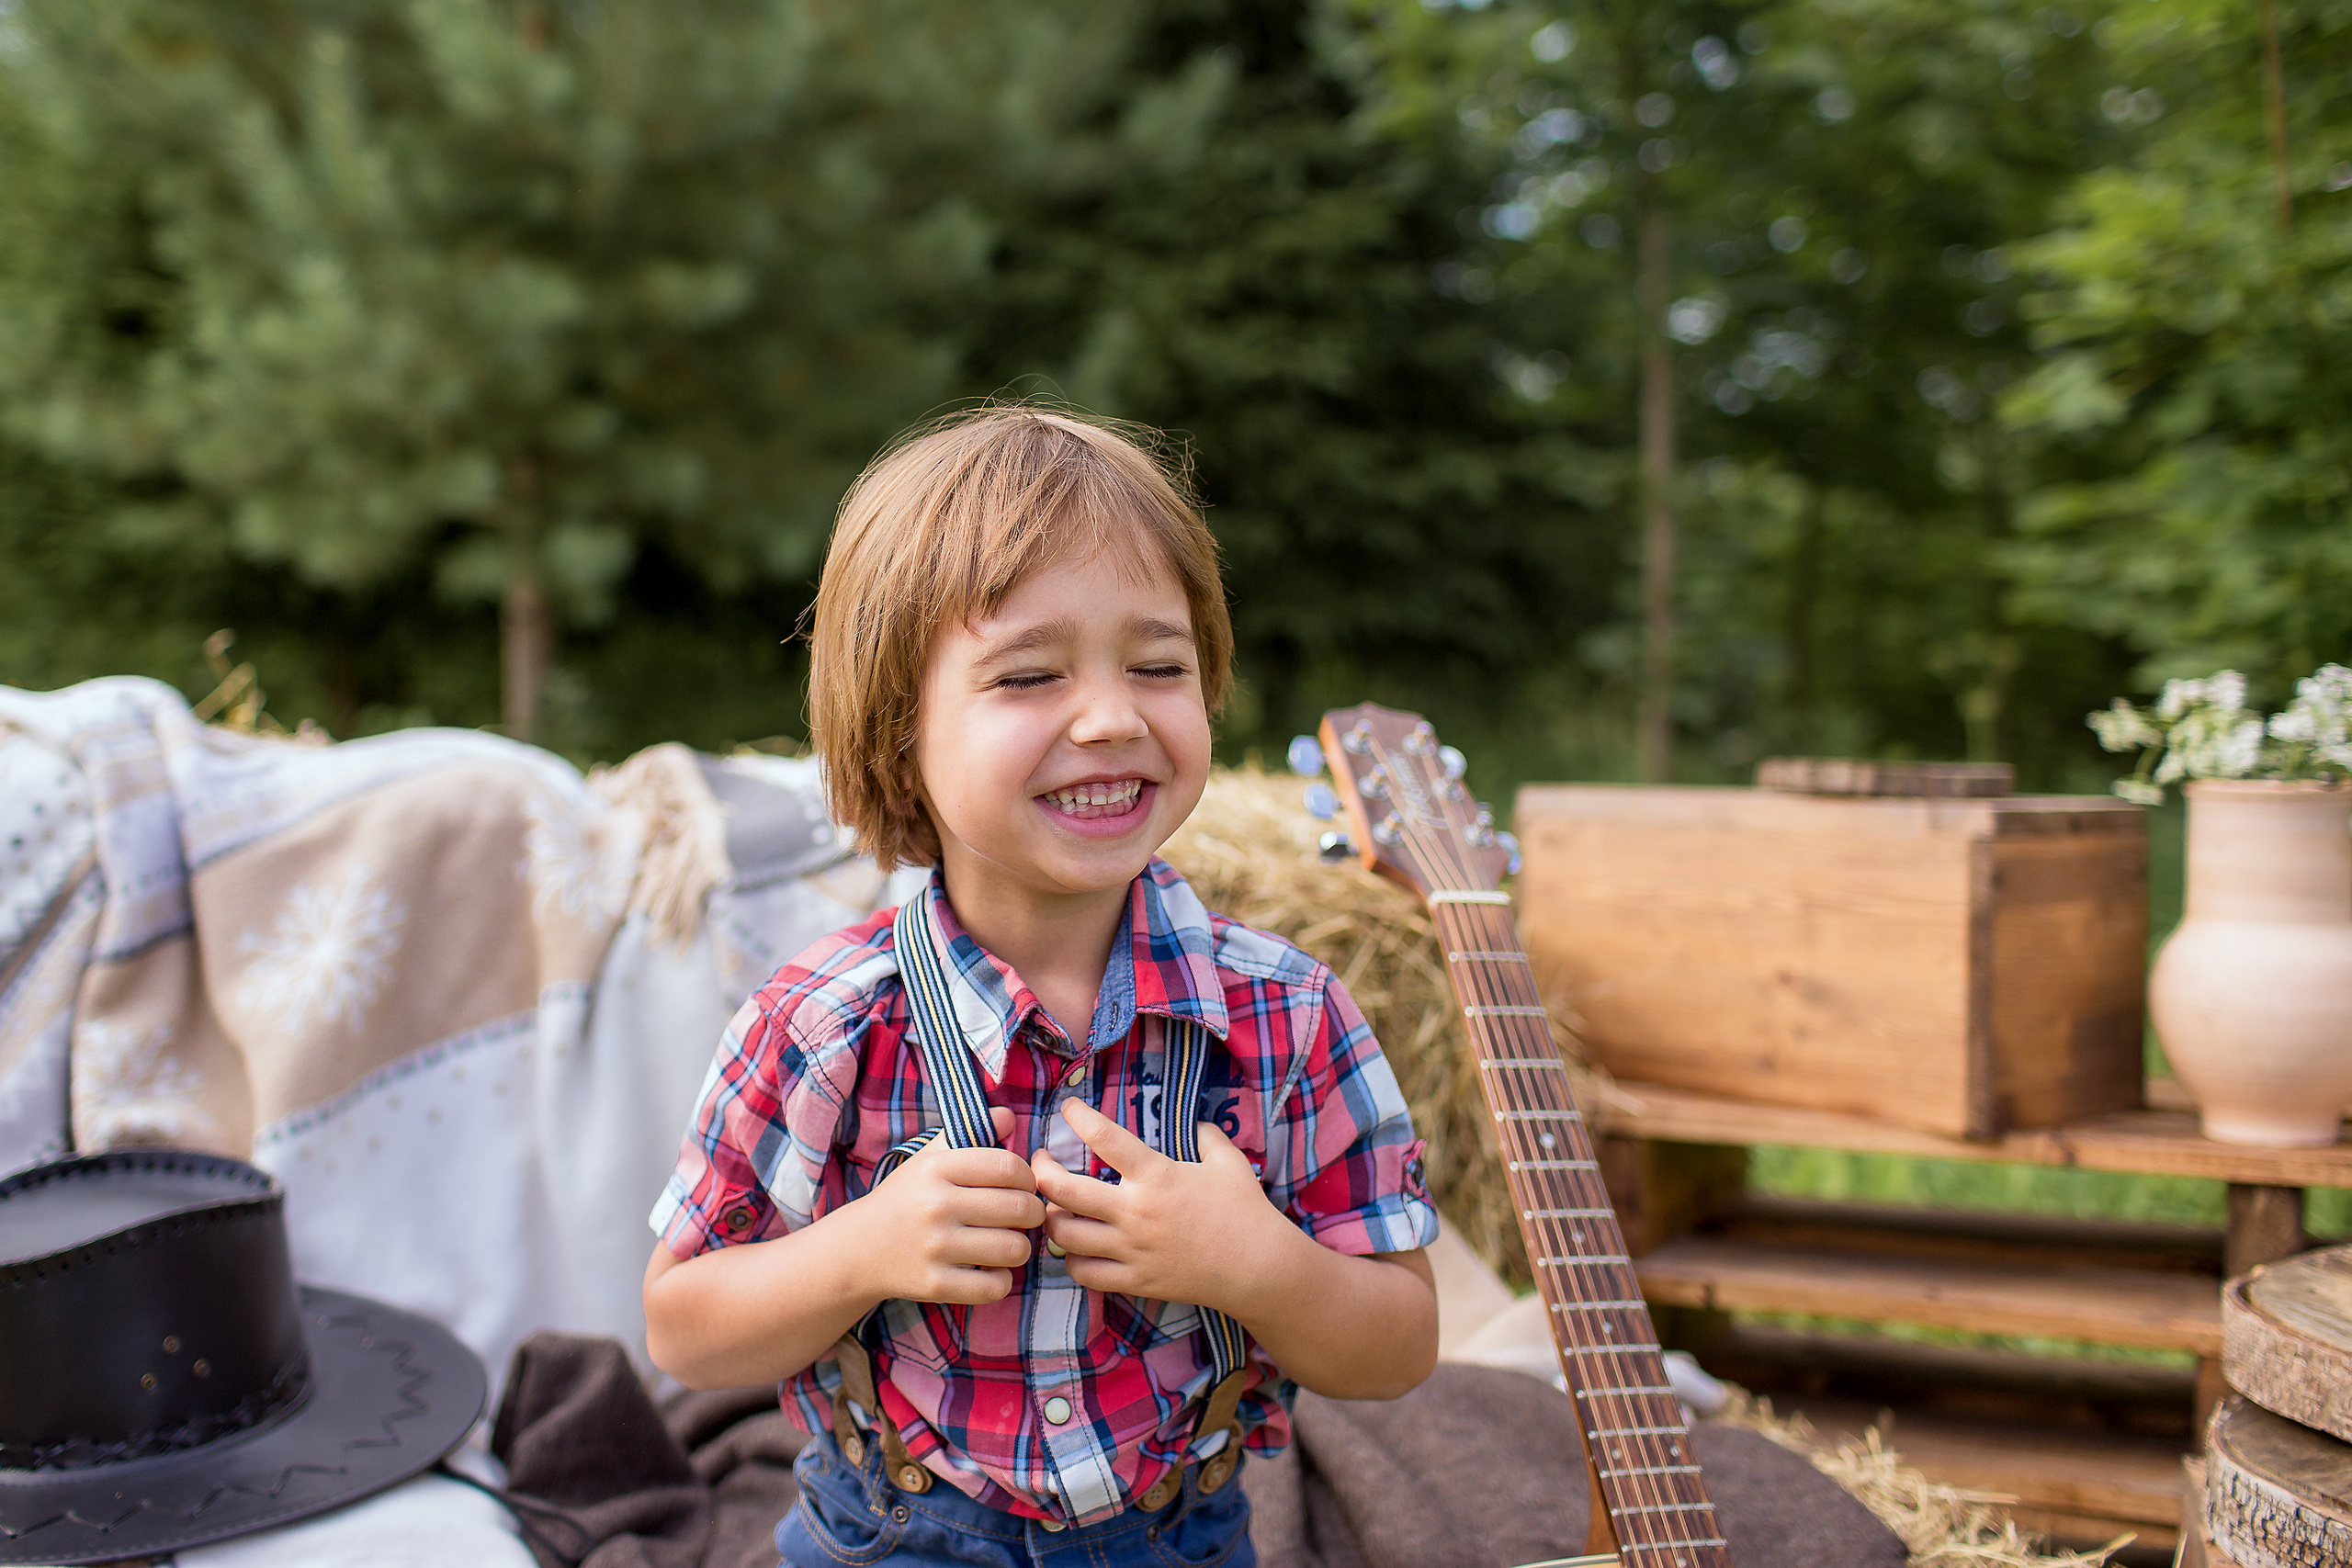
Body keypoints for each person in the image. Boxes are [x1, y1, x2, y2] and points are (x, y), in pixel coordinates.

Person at [642, 406, 1440, 1568]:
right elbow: (684, 1328)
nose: (1112, 716)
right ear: (895, 728)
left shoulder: (1286, 1013)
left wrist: (1257, 1265)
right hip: (893, 1537)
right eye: (1029, 674)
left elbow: (1401, 1342)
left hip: (1183, 1538)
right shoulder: (823, 1024)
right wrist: (860, 1251)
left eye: (1158, 665)